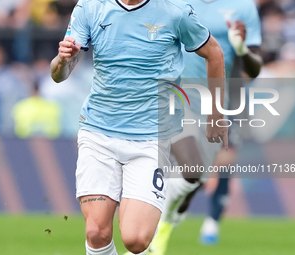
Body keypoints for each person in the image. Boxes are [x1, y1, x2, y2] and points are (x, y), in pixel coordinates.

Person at [50, 0, 226, 255]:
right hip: (98, 133)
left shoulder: (175, 11)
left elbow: (214, 53)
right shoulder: (90, 7)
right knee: (96, 232)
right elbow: (59, 74)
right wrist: (61, 59)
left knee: (136, 239)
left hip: (151, 139)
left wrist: (216, 114)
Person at [148, 0, 263, 253]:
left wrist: (241, 48)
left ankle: (170, 219)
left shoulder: (242, 7)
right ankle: (156, 228)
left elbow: (253, 70)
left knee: (197, 178)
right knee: (190, 168)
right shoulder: (171, 3)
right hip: (176, 98)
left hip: (218, 105)